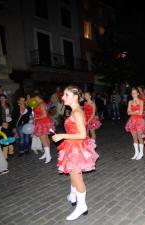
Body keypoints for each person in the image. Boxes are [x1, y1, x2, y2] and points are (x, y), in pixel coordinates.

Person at [52, 85, 99, 221]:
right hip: (73, 146)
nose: (62, 97)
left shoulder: (77, 112)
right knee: (73, 174)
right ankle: (73, 196)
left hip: (76, 148)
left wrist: (62, 136)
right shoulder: (73, 111)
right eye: (64, 94)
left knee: (77, 178)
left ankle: (82, 206)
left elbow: (83, 134)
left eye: (66, 95)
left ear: (75, 97)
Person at [33, 91, 54, 163]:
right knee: (46, 139)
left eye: (35, 97)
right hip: (44, 122)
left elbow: (44, 115)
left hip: (42, 123)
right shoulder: (41, 103)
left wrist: (36, 118)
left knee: (43, 140)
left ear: (38, 97)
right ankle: (46, 154)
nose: (34, 98)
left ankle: (48, 157)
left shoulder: (41, 104)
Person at [125, 88, 145, 160]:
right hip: (132, 121)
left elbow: (140, 113)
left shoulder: (141, 101)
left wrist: (133, 112)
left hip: (139, 121)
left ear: (137, 93)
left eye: (135, 92)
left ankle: (141, 153)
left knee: (140, 137)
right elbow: (128, 112)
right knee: (134, 137)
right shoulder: (130, 102)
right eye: (132, 93)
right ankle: (136, 153)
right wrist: (136, 111)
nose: (133, 94)